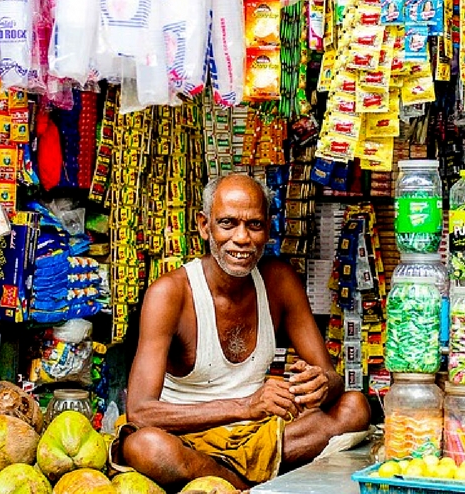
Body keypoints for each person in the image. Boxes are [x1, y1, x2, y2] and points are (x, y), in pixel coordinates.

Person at [117, 173, 371, 490]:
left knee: (354, 407)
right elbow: (139, 413)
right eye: (228, 223)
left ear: (268, 228)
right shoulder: (170, 294)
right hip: (187, 438)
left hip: (259, 435)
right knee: (146, 447)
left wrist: (319, 385)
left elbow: (331, 379)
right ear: (204, 226)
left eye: (254, 225)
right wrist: (246, 406)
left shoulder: (278, 281)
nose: (242, 238)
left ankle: (228, 481)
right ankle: (244, 481)